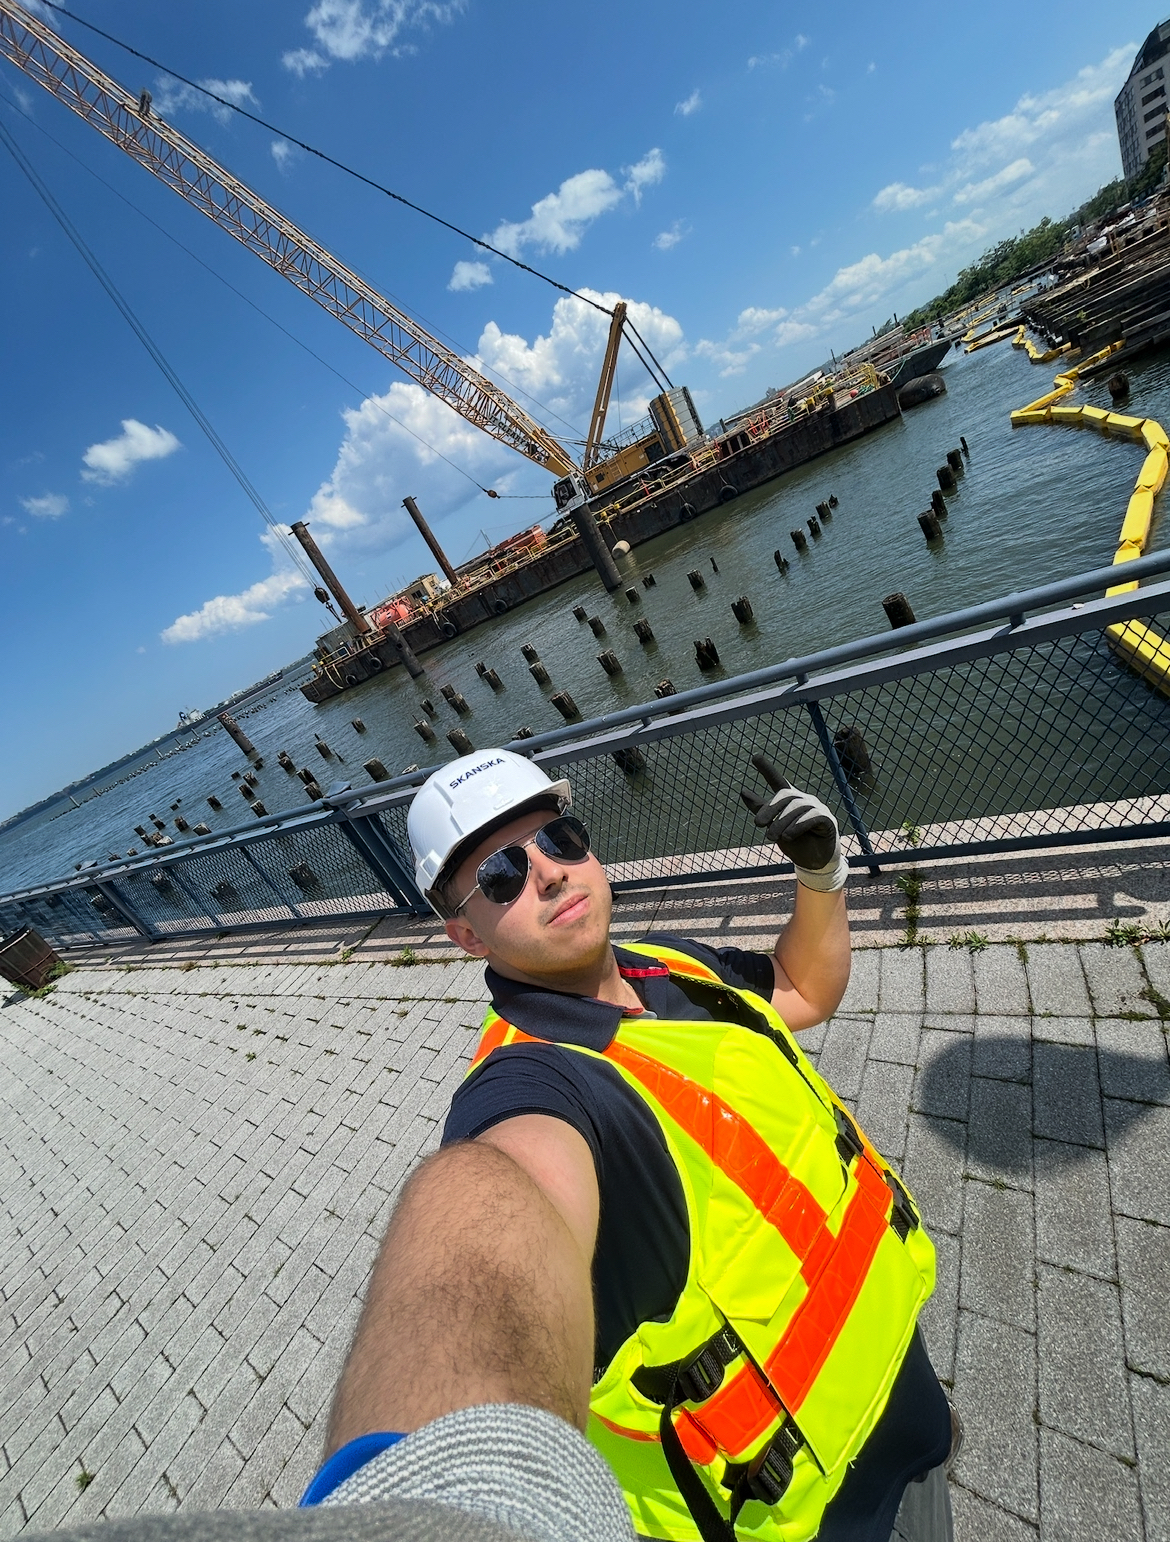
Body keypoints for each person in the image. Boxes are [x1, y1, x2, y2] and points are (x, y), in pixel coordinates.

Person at [311, 749, 955, 1542]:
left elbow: (801, 989)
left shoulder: (668, 965)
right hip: (803, 1512)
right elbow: (492, 1225)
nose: (548, 873)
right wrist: (426, 1504)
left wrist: (821, 877)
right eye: (503, 876)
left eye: (562, 840)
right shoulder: (535, 1089)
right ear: (465, 936)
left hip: (902, 1387)